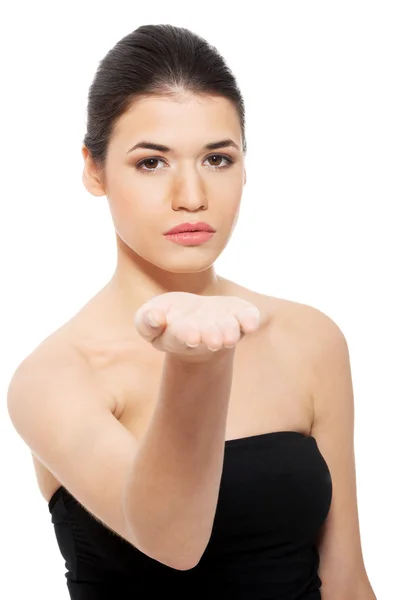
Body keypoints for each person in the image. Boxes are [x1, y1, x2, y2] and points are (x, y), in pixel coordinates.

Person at [6, 23, 376, 600]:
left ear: (246, 165)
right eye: (151, 162)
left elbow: (347, 581)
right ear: (94, 169)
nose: (192, 195)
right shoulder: (56, 377)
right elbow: (174, 541)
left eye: (218, 159)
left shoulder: (309, 339)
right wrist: (197, 362)